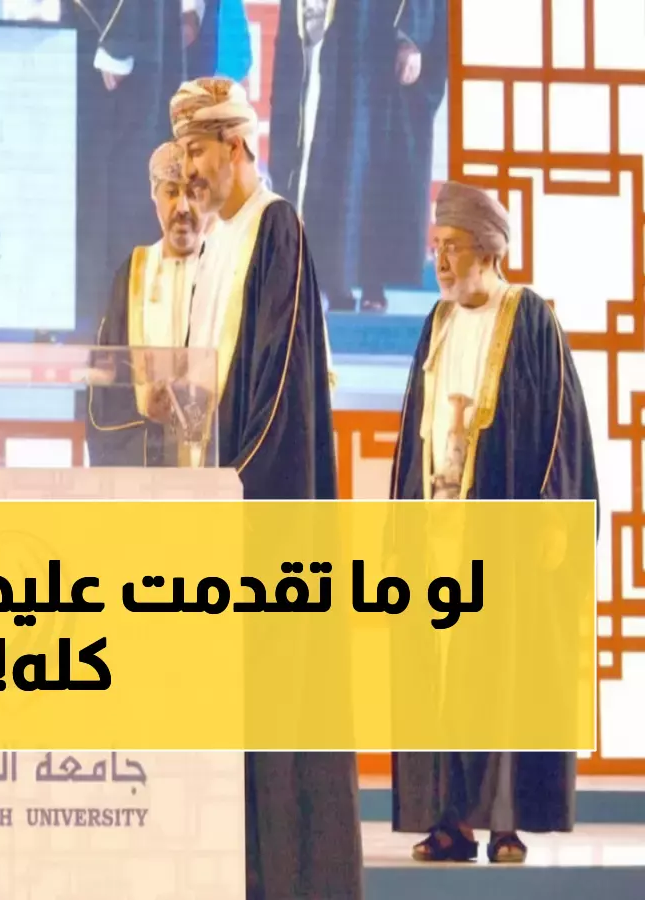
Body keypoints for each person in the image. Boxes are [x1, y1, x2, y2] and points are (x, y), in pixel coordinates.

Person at [166, 75, 363, 899]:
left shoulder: (276, 228)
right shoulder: (214, 243)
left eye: (199, 151)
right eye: (183, 155)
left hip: (263, 517)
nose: (190, 171)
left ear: (238, 143)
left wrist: (232, 493)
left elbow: (279, 388)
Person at [388, 181, 600, 863]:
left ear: (487, 251)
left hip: (501, 538)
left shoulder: (529, 317)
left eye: (453, 248)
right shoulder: (437, 322)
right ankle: (449, 822)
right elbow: (414, 431)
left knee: (502, 677)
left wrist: (551, 517)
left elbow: (563, 425)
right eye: (436, 248)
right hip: (438, 534)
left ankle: (505, 824)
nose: (442, 262)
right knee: (441, 678)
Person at [268, 0, 448, 311]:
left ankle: (373, 280)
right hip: (334, 38)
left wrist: (413, 36)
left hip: (381, 38)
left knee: (375, 161)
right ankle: (332, 278)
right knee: (331, 157)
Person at [61, 0, 188, 340]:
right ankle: (112, 321)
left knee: (120, 188)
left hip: (117, 49)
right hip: (111, 40)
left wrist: (117, 41)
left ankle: (116, 323)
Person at [87, 140, 208, 466]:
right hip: (149, 468)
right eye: (171, 192)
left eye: (193, 192)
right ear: (155, 197)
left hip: (212, 467)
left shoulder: (228, 272)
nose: (183, 207)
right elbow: (105, 394)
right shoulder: (133, 274)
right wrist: (149, 413)